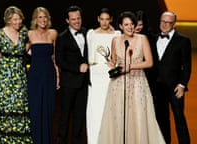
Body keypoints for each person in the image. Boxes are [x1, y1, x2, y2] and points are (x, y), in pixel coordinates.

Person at [97, 11, 166, 144]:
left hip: (138, 82)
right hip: (118, 84)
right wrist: (112, 65)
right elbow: (114, 61)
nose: (130, 27)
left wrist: (130, 67)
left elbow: (149, 62)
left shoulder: (142, 39)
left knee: (138, 117)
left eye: (132, 24)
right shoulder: (115, 40)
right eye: (126, 24)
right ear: (120, 26)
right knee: (118, 116)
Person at [0, 6, 33, 143]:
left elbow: (27, 48)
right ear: (8, 20)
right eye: (15, 19)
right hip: (4, 74)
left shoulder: (24, 32)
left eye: (20, 19)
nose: (18, 22)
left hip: (20, 74)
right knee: (4, 105)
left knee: (19, 105)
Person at [150, 11, 191, 144]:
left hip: (175, 87)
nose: (164, 25)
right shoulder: (154, 38)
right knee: (162, 119)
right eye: (162, 21)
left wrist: (182, 85)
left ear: (174, 24)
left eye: (168, 22)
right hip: (158, 87)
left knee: (179, 118)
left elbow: (187, 66)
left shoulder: (183, 40)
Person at [55, 5, 90, 144]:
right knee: (64, 116)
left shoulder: (88, 33)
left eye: (78, 18)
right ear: (67, 20)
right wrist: (77, 67)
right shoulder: (62, 37)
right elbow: (59, 60)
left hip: (84, 83)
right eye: (73, 19)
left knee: (79, 117)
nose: (77, 21)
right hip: (69, 82)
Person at [86, 7, 120, 144]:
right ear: (98, 19)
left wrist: (115, 64)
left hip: (109, 74)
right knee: (95, 108)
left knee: (110, 107)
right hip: (94, 74)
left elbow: (118, 55)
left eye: (107, 19)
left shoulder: (117, 34)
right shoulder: (91, 34)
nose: (104, 22)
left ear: (111, 19)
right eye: (102, 19)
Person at [26, 7, 59, 144]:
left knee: (48, 110)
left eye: (45, 17)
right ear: (35, 19)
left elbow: (54, 57)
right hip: (34, 76)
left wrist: (58, 76)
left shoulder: (53, 33)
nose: (43, 20)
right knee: (35, 110)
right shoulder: (29, 34)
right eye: (40, 17)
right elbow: (20, 52)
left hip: (49, 75)